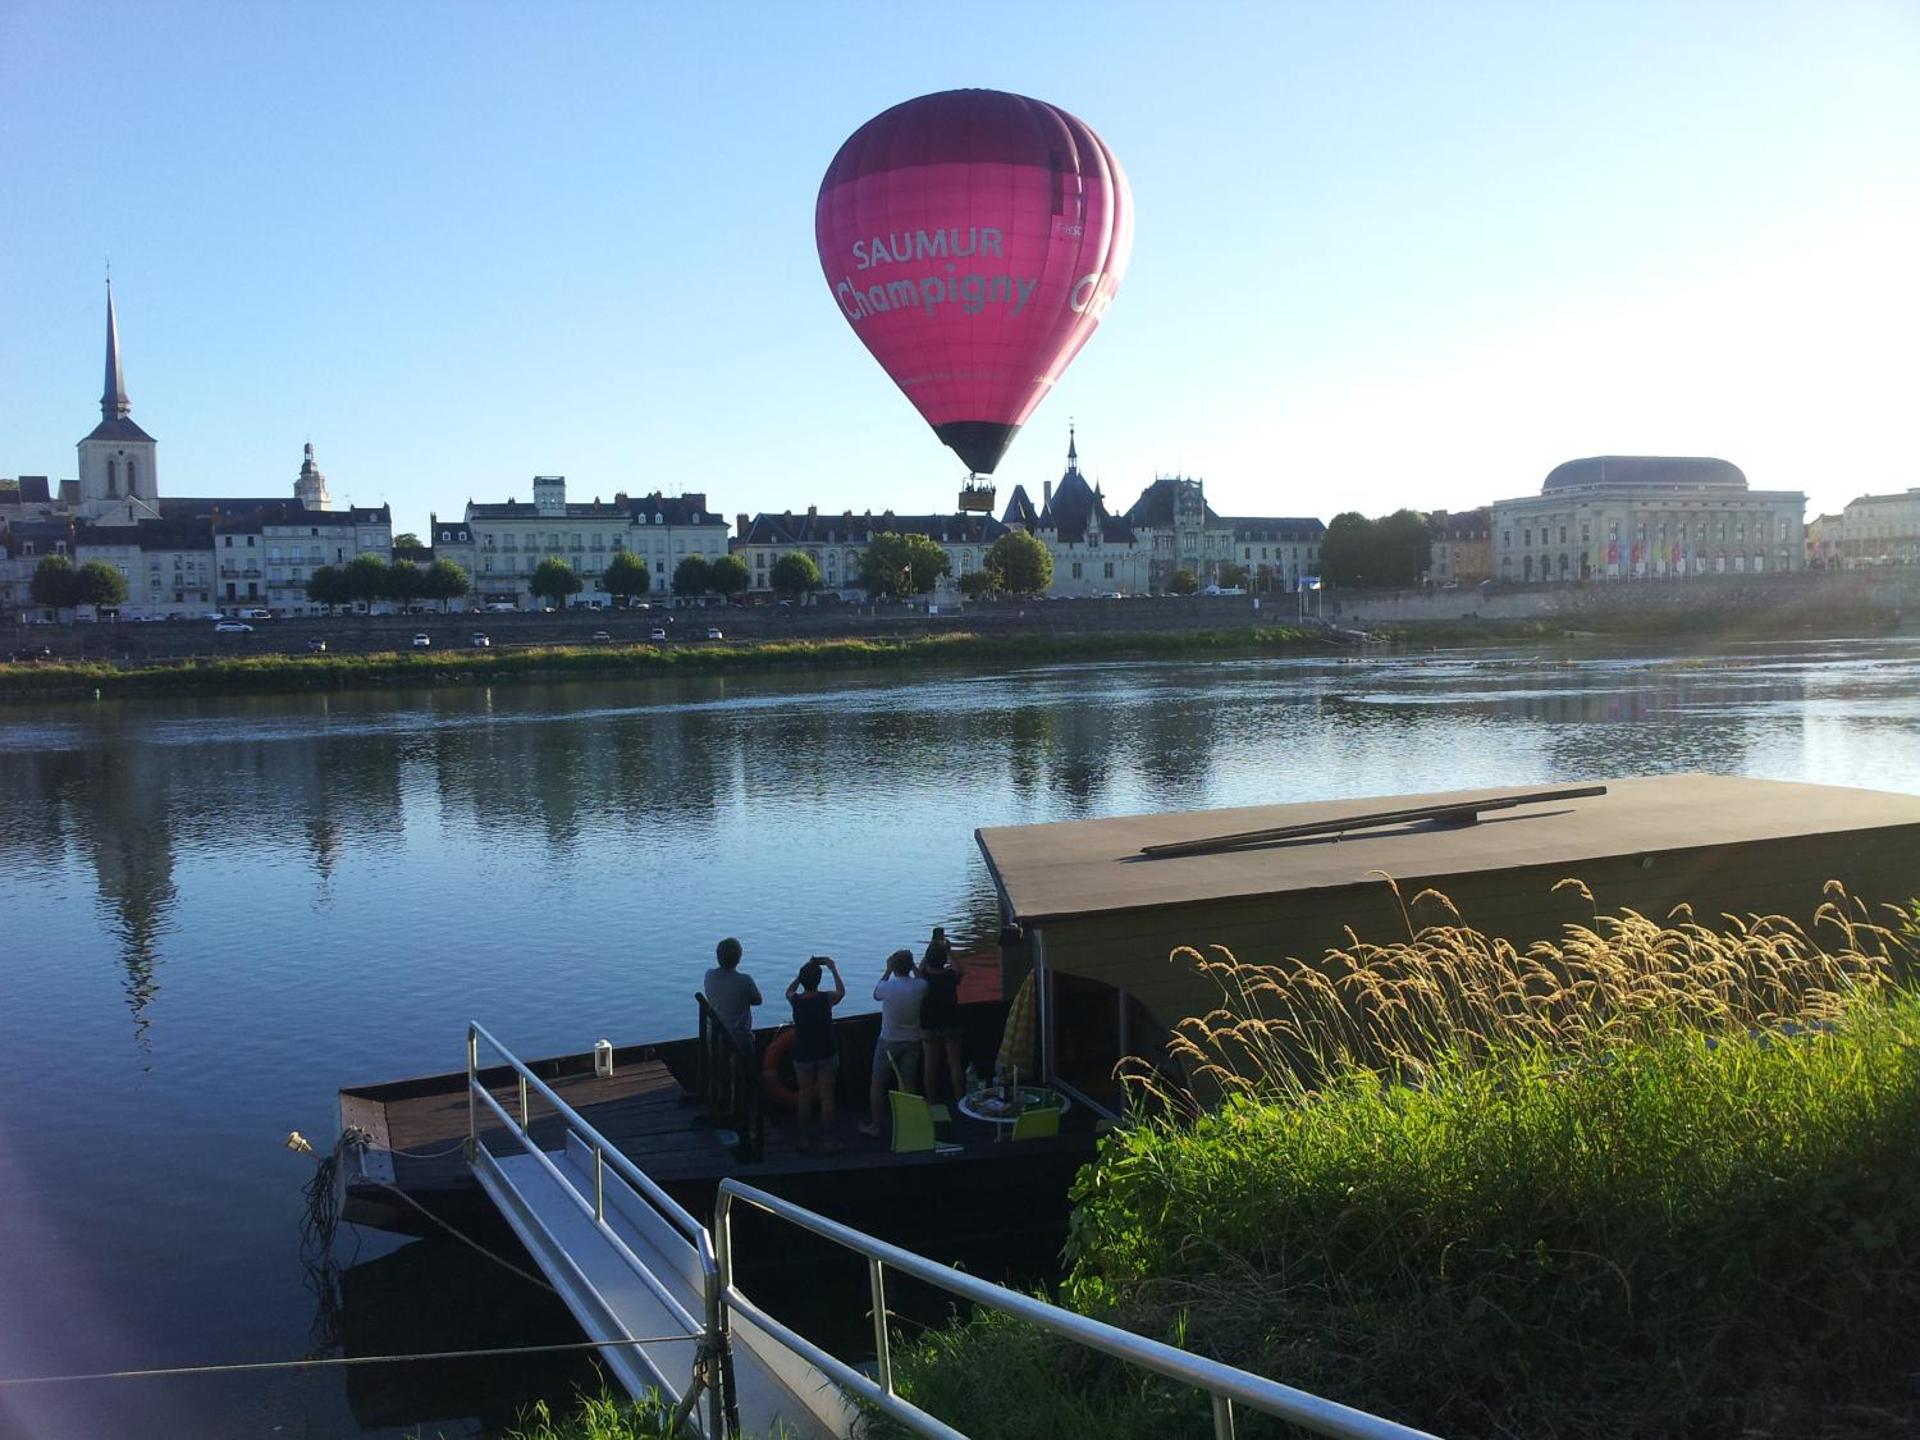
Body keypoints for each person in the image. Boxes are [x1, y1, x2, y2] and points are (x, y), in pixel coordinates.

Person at [859, 949, 927, 1139]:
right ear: (910, 967)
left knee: (877, 1082)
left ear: (893, 967)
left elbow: (875, 994)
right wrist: (913, 965)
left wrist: (888, 970)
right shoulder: (920, 986)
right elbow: (922, 978)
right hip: (913, 1040)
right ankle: (912, 1122)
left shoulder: (887, 988)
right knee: (908, 1082)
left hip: (888, 1039)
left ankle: (875, 1125)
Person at [785, 957, 846, 1154]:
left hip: (803, 1054)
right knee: (827, 1097)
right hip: (826, 1052)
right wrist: (832, 967)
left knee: (804, 1096)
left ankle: (803, 1140)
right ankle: (829, 1141)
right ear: (819, 980)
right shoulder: (826, 998)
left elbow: (789, 990)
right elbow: (842, 992)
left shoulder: (795, 1000)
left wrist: (800, 976)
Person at [918, 928, 964, 1106]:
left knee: (930, 1067)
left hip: (928, 1024)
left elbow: (922, 967)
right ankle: (959, 1099)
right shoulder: (951, 976)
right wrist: (948, 951)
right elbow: (961, 969)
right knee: (955, 1063)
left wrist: (931, 947)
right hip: (951, 1023)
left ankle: (931, 1101)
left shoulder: (924, 978)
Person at [702, 936, 761, 1048]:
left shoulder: (709, 975)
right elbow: (758, 1000)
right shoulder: (745, 980)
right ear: (739, 958)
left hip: (714, 1037)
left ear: (718, 957)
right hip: (740, 1038)